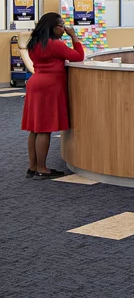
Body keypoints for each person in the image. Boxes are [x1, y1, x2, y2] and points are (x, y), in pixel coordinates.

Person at [22, 13, 85, 178]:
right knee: (44, 129)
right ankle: (43, 169)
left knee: (34, 129)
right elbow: (78, 57)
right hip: (49, 87)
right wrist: (74, 37)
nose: (64, 30)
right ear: (52, 27)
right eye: (61, 26)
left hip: (36, 83)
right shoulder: (54, 44)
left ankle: (33, 167)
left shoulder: (34, 42)